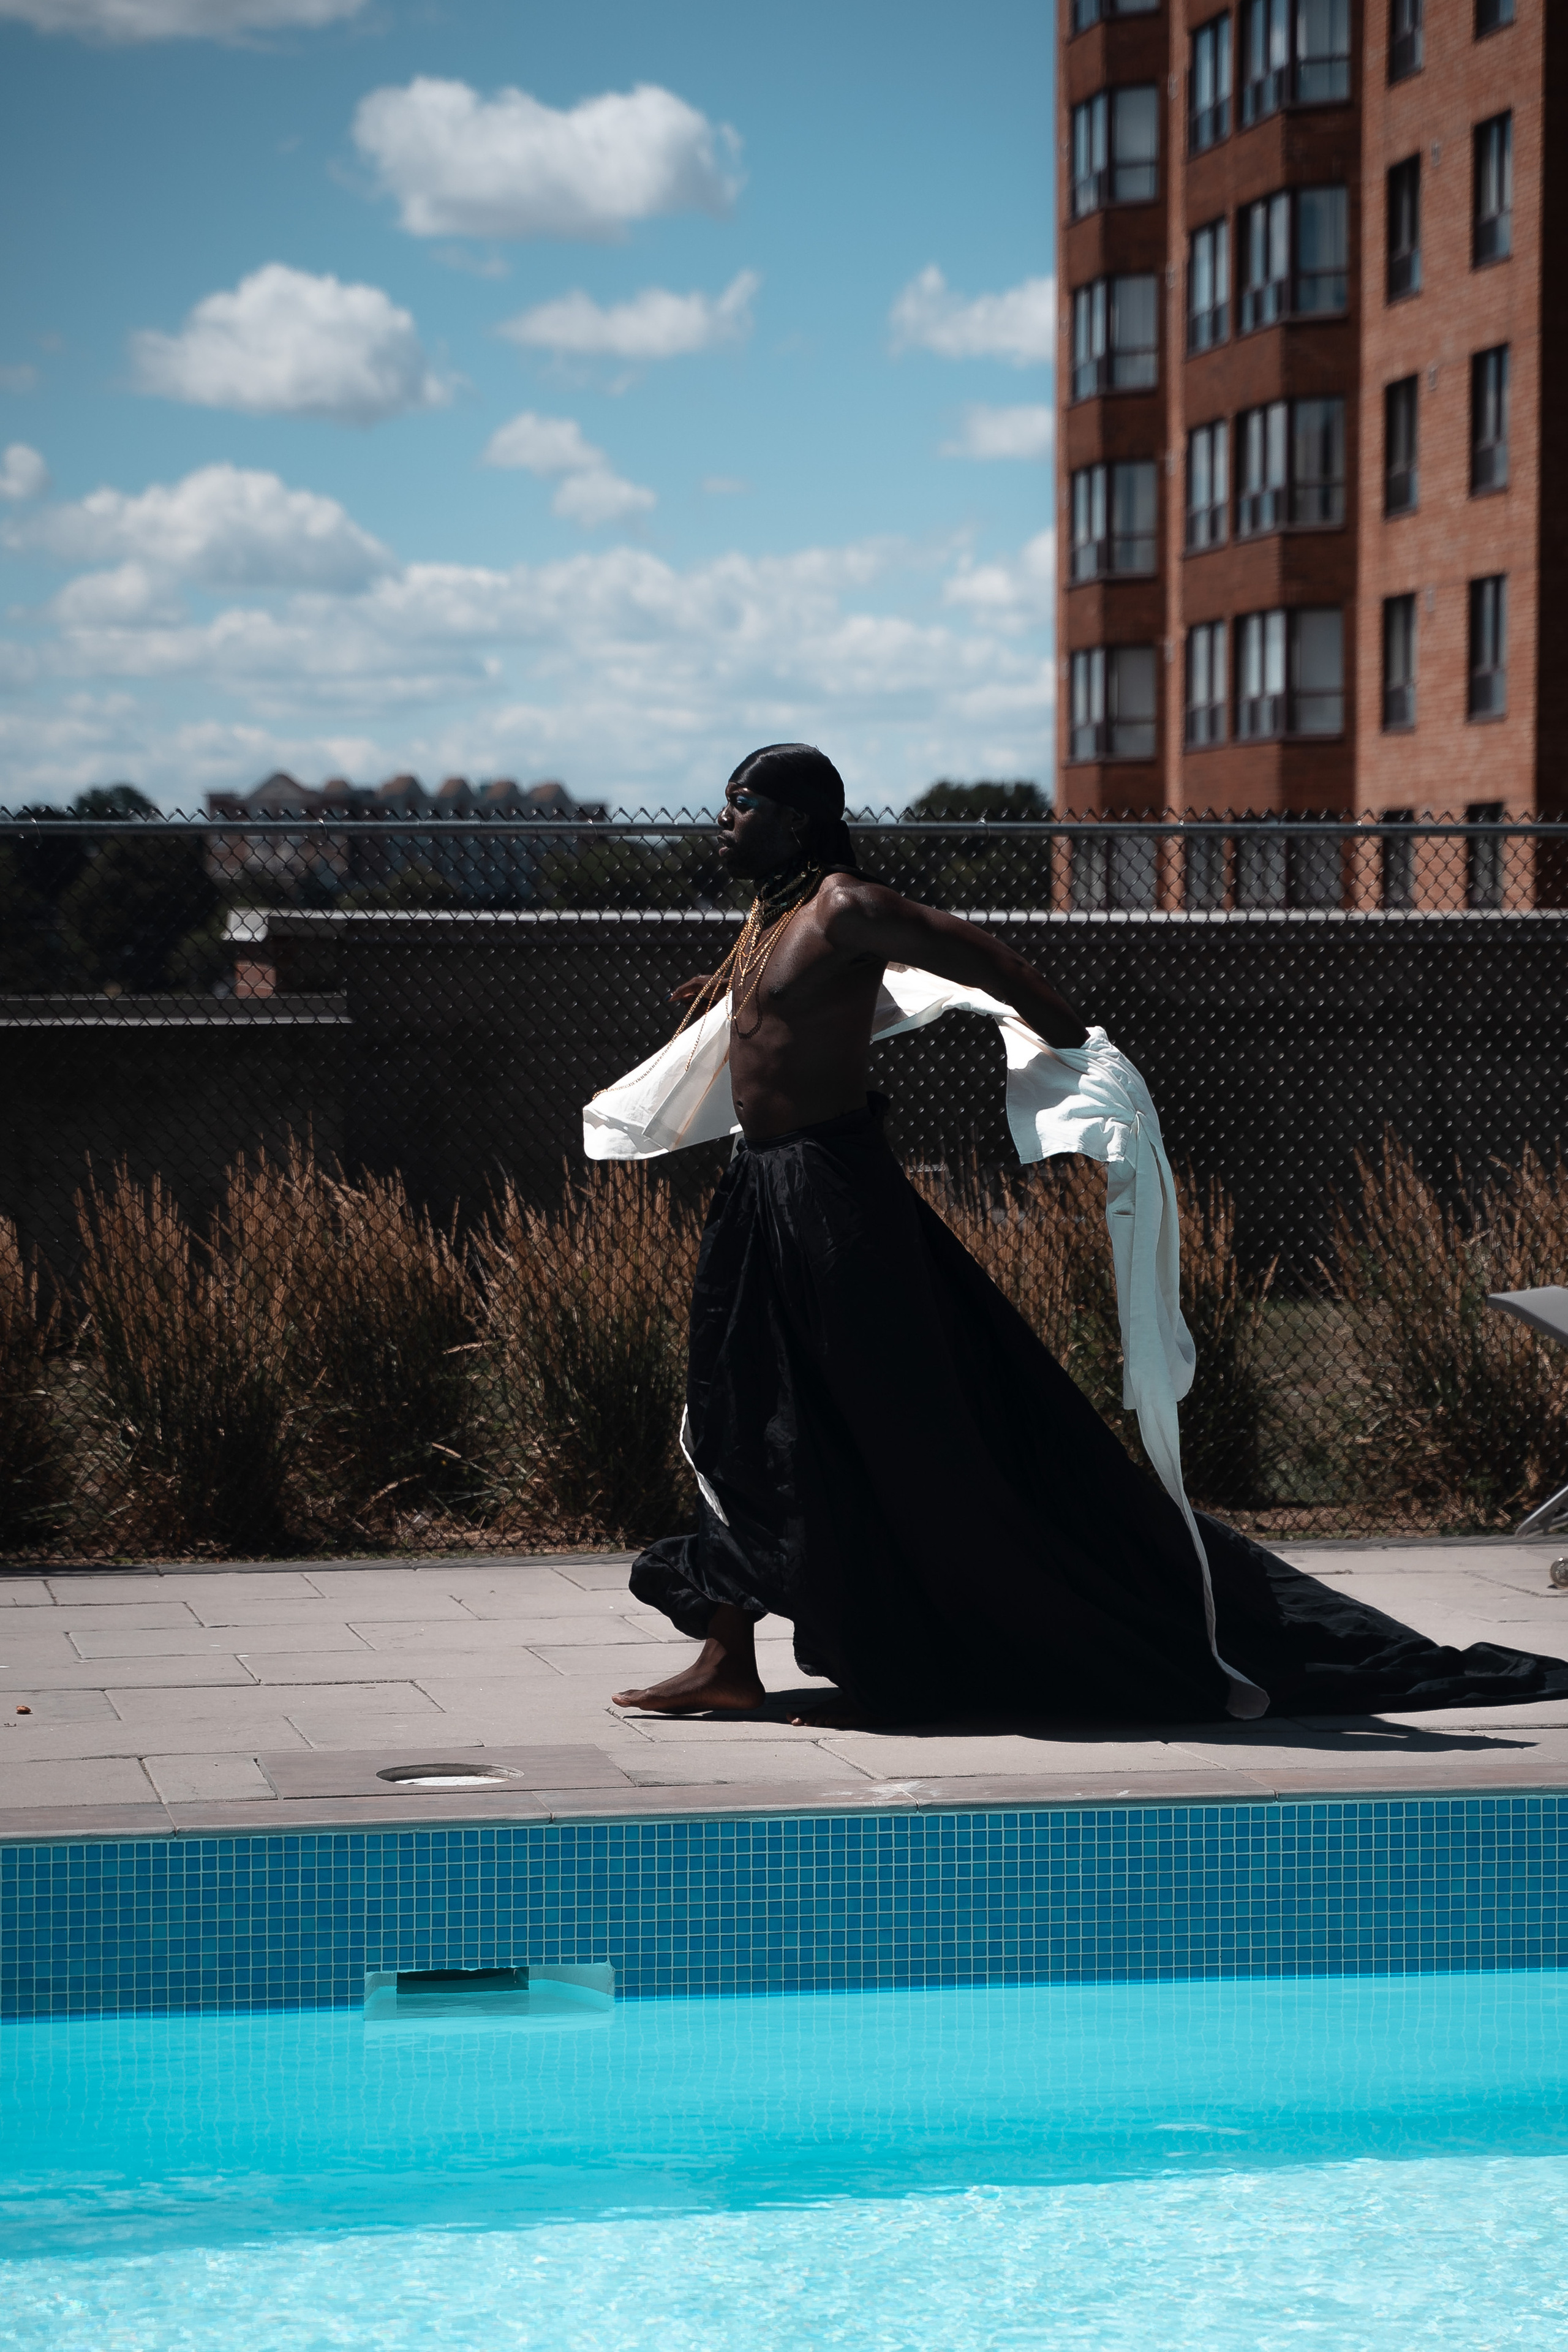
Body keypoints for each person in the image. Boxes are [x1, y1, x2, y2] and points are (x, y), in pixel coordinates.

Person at [609, 743, 1568, 1727]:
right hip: (762, 1194)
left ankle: (958, 1632)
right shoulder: (768, 920)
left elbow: (991, 961)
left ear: (799, 819)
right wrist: (726, 1006)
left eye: (741, 804)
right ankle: (728, 1656)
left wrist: (1079, 1050)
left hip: (832, 1198)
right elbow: (810, 1018)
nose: (723, 821)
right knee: (739, 1414)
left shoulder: (849, 906)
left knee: (889, 1423)